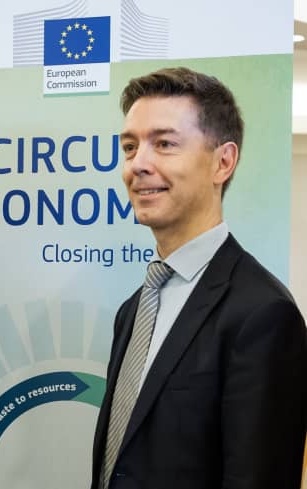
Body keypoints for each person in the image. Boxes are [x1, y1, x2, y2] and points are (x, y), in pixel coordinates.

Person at [91, 67, 307, 489]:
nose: (139, 165)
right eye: (130, 147)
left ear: (222, 162)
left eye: (164, 144)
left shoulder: (263, 315)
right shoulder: (134, 308)